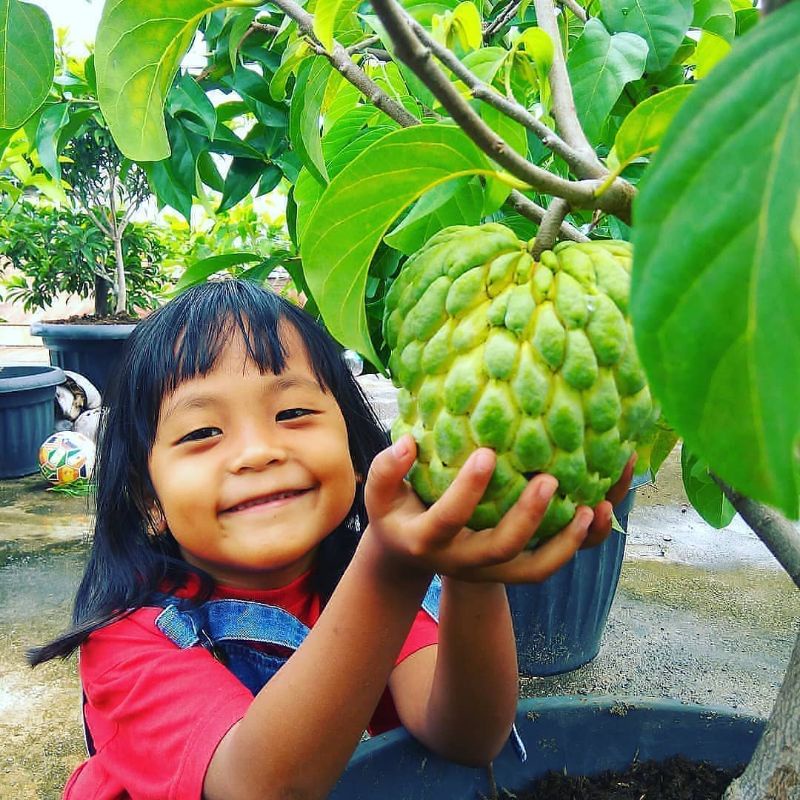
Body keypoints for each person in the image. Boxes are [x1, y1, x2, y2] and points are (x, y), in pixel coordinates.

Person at [30, 279, 633, 800]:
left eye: (292, 414)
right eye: (203, 431)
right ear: (148, 501)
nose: (259, 452)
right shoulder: (127, 645)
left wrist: (473, 575)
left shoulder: (367, 584)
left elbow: (470, 734)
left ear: (352, 441)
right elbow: (262, 785)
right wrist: (390, 568)